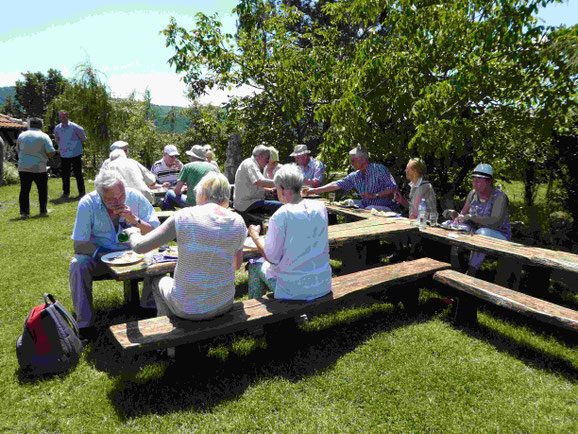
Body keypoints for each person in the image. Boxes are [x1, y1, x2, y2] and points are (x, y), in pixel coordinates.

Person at [125, 172, 246, 320]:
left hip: (187, 308)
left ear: (202, 193)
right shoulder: (238, 221)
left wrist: (133, 231)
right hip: (224, 303)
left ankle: (165, 327)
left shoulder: (184, 216)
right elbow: (236, 265)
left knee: (156, 280)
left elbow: (140, 247)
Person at [69, 170, 160, 337]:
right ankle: (84, 325)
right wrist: (101, 255)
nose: (118, 202)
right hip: (100, 257)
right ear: (100, 195)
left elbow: (156, 232)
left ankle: (148, 306)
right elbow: (79, 244)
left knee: (156, 256)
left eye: (121, 196)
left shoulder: (136, 198)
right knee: (78, 264)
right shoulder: (88, 204)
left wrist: (135, 220)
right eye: (111, 199)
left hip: (134, 254)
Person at [247, 164, 332, 300]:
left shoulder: (281, 215)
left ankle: (255, 311)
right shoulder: (320, 207)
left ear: (281, 189)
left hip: (294, 290)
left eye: (276, 189)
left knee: (254, 263)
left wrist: (255, 236)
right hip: (323, 284)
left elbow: (272, 258)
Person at [443, 163, 511, 276]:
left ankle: (471, 271)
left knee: (481, 234)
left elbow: (495, 221)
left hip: (499, 234)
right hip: (476, 230)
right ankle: (455, 266)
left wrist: (473, 218)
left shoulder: (499, 197)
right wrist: (456, 217)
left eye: (479, 181)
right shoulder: (473, 194)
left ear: (489, 181)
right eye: (473, 180)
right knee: (454, 228)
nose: (475, 183)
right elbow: (463, 213)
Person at [304, 144, 399, 212]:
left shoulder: (379, 169)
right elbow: (336, 184)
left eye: (353, 160)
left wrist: (375, 195)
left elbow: (393, 189)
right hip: (367, 207)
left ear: (361, 159)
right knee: (347, 203)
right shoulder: (356, 175)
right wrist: (314, 191)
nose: (351, 163)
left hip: (384, 208)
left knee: (368, 209)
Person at [16, 118, 56, 219]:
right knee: (42, 190)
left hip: (24, 167)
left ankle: (24, 213)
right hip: (39, 167)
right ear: (41, 125)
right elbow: (51, 152)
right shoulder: (44, 136)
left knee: (24, 190)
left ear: (29, 125)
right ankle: (43, 210)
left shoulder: (22, 135)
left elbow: (18, 150)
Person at [233, 144, 282, 215]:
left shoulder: (251, 164)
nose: (268, 161)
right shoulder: (250, 164)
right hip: (247, 205)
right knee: (282, 206)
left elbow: (252, 188)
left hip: (246, 204)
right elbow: (260, 182)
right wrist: (281, 183)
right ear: (259, 156)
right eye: (267, 157)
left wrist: (269, 191)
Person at [53, 110, 86, 200]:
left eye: (63, 116)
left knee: (78, 173)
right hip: (64, 154)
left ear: (67, 116)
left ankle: (82, 192)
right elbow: (56, 139)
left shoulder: (75, 127)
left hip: (75, 153)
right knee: (65, 174)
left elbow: (83, 138)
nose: (61, 118)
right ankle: (66, 193)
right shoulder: (57, 128)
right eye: (60, 116)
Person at [151, 144, 187, 210]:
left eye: (176, 156)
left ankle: (169, 218)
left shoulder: (179, 164)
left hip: (177, 194)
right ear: (164, 154)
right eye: (171, 156)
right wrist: (162, 186)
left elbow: (187, 181)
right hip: (161, 195)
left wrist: (182, 168)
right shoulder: (157, 166)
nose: (174, 159)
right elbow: (150, 185)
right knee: (165, 202)